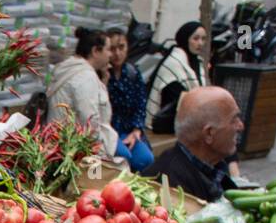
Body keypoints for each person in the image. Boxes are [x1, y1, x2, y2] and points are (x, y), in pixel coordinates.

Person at [141, 86, 243, 202]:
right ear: (209, 133)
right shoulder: (174, 191)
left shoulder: (212, 164)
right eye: (233, 120)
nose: (240, 126)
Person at [47, 28, 120, 162]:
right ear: (95, 51)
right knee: (127, 159)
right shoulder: (85, 77)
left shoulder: (68, 68)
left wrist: (103, 81)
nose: (110, 54)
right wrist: (100, 156)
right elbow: (90, 120)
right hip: (75, 151)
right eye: (108, 49)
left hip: (60, 144)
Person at [146, 21, 208, 134]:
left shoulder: (196, 62)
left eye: (203, 39)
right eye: (196, 38)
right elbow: (180, 98)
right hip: (169, 120)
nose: (200, 43)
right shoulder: (173, 63)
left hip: (187, 117)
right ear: (185, 39)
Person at [106, 28, 154, 171]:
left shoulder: (133, 73)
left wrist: (136, 130)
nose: (117, 54)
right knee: (123, 156)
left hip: (128, 129)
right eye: (112, 49)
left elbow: (141, 104)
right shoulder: (101, 75)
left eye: (121, 47)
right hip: (110, 132)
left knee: (146, 159)